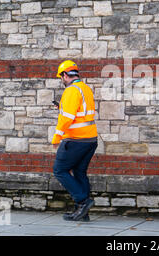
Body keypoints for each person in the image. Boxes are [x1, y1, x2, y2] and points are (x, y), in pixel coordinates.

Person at [51, 60, 98, 221]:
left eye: (61, 77)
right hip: (90, 139)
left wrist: (57, 136)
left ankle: (83, 201)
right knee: (79, 172)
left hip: (76, 139)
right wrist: (62, 108)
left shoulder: (71, 90)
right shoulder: (84, 88)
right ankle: (83, 212)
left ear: (65, 75)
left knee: (59, 170)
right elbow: (80, 113)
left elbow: (67, 118)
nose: (62, 80)